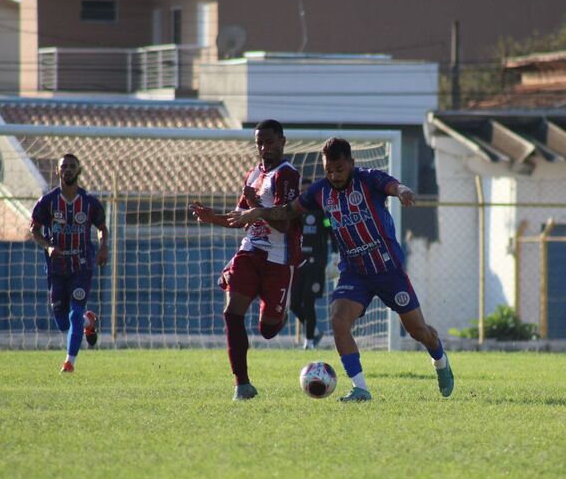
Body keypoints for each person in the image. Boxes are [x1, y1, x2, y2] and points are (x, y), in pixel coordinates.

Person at [229, 137, 454, 402]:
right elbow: (289, 211)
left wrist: (403, 190)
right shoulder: (320, 191)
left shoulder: (367, 179)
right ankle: (361, 389)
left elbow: (392, 185)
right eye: (329, 171)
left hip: (388, 269)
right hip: (355, 272)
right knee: (338, 320)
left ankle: (439, 359)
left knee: (418, 332)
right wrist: (259, 212)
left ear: (351, 163)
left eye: (339, 169)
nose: (334, 176)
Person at [190, 119, 302, 401]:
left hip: (279, 258)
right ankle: (242, 384)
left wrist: (256, 208)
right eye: (259, 143)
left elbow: (285, 225)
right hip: (250, 252)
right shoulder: (252, 175)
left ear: (282, 142)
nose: (264, 148)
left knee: (267, 330)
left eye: (269, 142)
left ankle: (279, 315)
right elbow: (240, 218)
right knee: (232, 312)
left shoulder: (287, 175)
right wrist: (212, 217)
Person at [30, 153, 108, 373]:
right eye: (64, 166)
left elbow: (102, 228)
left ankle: (69, 362)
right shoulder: (47, 202)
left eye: (73, 166)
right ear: (58, 171)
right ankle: (88, 323)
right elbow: (34, 230)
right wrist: (49, 246)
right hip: (56, 268)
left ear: (79, 171)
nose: (68, 170)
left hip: (82, 265)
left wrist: (103, 247)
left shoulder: (89, 202)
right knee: (63, 322)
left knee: (75, 312)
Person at [290, 178, 337, 349]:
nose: (304, 193)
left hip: (317, 261)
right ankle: (315, 331)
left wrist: (335, 254)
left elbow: (330, 230)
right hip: (299, 261)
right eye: (301, 190)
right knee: (294, 302)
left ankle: (309, 342)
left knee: (308, 300)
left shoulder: (322, 211)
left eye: (307, 190)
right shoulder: (296, 212)